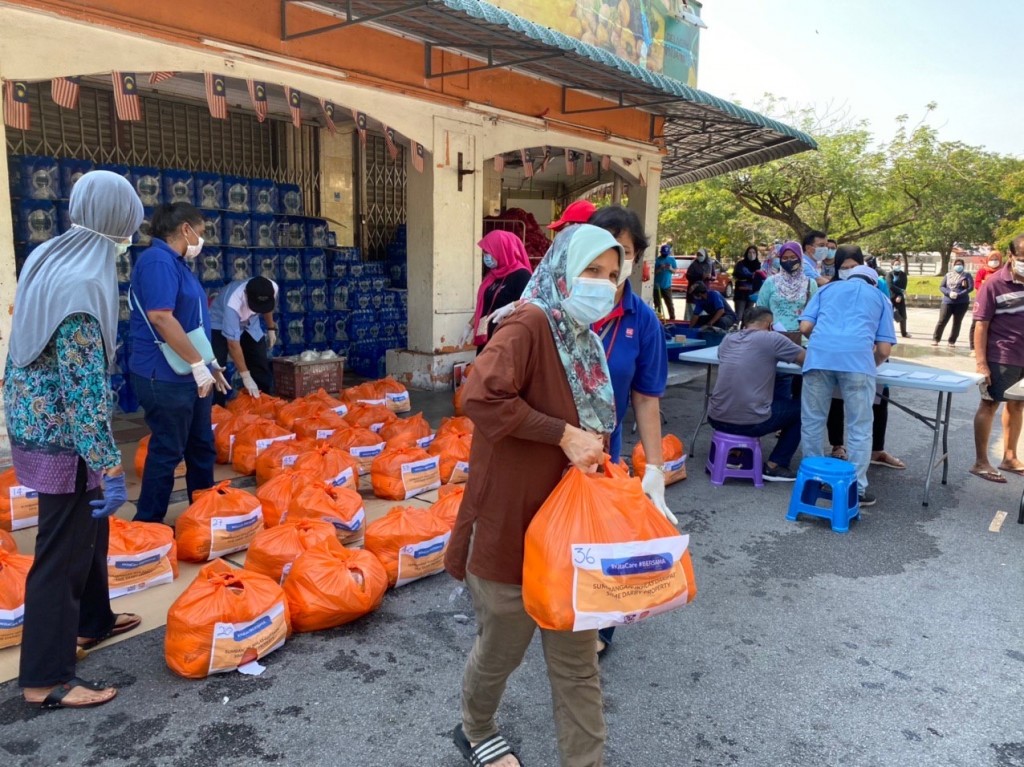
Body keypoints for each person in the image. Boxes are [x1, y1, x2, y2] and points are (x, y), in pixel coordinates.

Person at [445, 224, 629, 767]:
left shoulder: (585, 342)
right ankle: (476, 730)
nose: (603, 284)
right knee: (501, 650)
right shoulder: (531, 322)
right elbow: (478, 395)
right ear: (563, 269)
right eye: (592, 270)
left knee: (577, 663)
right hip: (511, 523)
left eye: (613, 275)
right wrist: (562, 434)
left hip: (571, 529)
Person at [3, 171, 144, 709]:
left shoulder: (49, 255)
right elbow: (83, 392)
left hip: (33, 422)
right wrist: (107, 462)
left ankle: (94, 620)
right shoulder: (84, 284)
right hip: (64, 440)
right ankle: (44, 678)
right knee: (61, 553)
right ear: (117, 220)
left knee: (93, 533)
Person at [588, 205, 674, 657]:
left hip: (605, 457)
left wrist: (655, 468)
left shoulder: (641, 320)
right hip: (544, 451)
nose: (610, 265)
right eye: (599, 252)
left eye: (622, 253)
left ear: (635, 258)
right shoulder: (552, 309)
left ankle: (600, 628)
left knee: (603, 543)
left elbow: (644, 397)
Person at [129, 202, 229, 524]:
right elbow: (160, 316)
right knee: (168, 451)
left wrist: (208, 364)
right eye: (200, 233)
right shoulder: (158, 260)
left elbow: (190, 323)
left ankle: (203, 515)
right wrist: (198, 363)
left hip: (189, 373)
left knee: (201, 446)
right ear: (185, 229)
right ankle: (148, 525)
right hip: (165, 376)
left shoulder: (176, 264)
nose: (202, 240)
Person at [799, 246, 897, 507]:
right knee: (859, 426)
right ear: (872, 279)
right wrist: (870, 363)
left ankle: (812, 479)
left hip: (818, 359)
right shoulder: (880, 298)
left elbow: (805, 326)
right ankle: (858, 488)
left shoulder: (826, 289)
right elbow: (885, 349)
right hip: (857, 363)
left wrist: (824, 344)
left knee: (812, 420)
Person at [708, 307, 806, 481]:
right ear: (770, 325)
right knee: (802, 410)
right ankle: (776, 465)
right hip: (749, 422)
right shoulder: (772, 338)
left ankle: (736, 453)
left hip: (716, 418)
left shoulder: (728, 339)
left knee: (765, 395)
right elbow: (806, 358)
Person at [969, 236, 1024, 483]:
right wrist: (982, 363)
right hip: (1001, 355)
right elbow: (981, 325)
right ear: (1011, 256)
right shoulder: (994, 283)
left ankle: (1010, 457)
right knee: (990, 404)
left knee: (1018, 405)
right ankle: (981, 461)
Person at [210, 276, 278, 405]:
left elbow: (267, 307)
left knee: (259, 359)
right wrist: (245, 376)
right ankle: (218, 408)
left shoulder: (271, 287)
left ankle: (263, 403)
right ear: (246, 295)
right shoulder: (233, 303)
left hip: (250, 323)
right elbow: (233, 344)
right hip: (219, 322)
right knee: (218, 367)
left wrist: (271, 328)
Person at [461, 230, 533, 353]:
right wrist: (469, 325)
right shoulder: (492, 276)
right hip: (487, 337)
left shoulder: (521, 275)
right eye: (484, 253)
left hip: (506, 340)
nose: (486, 257)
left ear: (501, 250)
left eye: (488, 253)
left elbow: (528, 304)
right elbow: (485, 306)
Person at [756, 241, 818, 332]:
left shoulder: (810, 283)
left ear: (800, 258)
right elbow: (760, 310)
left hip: (801, 339)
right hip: (775, 338)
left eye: (793, 257)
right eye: (785, 258)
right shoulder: (771, 282)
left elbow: (814, 313)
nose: (789, 261)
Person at [931, 257, 974, 347]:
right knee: (942, 320)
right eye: (957, 264)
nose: (958, 266)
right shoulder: (948, 275)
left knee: (957, 322)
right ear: (954, 266)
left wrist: (959, 294)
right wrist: (949, 293)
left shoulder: (966, 275)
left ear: (963, 266)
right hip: (948, 301)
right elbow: (942, 286)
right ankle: (936, 339)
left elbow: (970, 288)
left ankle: (952, 341)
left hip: (961, 302)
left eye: (960, 265)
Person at [969, 250, 1003, 356]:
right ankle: (974, 348)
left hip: (998, 301)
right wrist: (987, 287)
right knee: (977, 323)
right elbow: (977, 283)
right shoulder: (983, 271)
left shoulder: (1002, 271)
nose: (994, 261)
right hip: (983, 299)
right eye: (992, 259)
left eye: (996, 259)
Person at [732, 245, 762, 320]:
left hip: (752, 294)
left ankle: (744, 331)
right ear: (746, 253)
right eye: (750, 252)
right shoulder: (740, 264)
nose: (752, 254)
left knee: (748, 317)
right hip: (740, 294)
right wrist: (750, 277)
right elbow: (737, 275)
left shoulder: (759, 265)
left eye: (754, 252)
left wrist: (747, 278)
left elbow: (760, 279)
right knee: (739, 315)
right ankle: (736, 330)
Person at [685, 247, 714, 318]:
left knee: (703, 311)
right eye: (698, 255)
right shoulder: (693, 264)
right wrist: (700, 276)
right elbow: (688, 276)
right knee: (692, 312)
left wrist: (710, 277)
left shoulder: (710, 264)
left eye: (701, 255)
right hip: (694, 291)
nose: (699, 257)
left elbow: (714, 276)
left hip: (704, 290)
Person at [653, 243, 677, 320]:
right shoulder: (656, 260)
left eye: (666, 254)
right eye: (663, 254)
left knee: (669, 303)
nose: (664, 255)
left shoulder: (672, 260)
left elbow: (675, 271)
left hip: (667, 285)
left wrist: (670, 268)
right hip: (657, 286)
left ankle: (672, 318)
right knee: (657, 304)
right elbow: (653, 273)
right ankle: (658, 319)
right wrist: (660, 268)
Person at [888, 257, 910, 338]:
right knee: (889, 315)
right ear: (892, 265)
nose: (898, 266)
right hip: (891, 297)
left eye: (899, 264)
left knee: (903, 316)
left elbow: (904, 286)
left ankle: (904, 333)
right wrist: (900, 291)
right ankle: (888, 332)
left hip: (900, 297)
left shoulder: (903, 274)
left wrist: (900, 296)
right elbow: (890, 286)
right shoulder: (889, 274)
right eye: (896, 264)